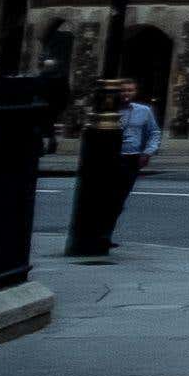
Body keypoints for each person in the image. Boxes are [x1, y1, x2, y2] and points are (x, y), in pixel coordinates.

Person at [65, 79, 157, 259]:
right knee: (104, 197)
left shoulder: (144, 111)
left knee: (119, 200)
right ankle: (98, 234)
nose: (126, 94)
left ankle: (106, 233)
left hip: (131, 158)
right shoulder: (107, 111)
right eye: (123, 91)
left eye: (130, 90)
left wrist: (147, 152)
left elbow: (153, 132)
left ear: (135, 92)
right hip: (110, 159)